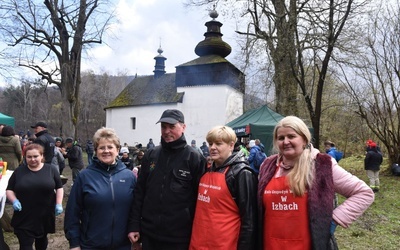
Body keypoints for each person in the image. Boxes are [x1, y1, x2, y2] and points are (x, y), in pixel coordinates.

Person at [258, 116, 374, 249]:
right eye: (281, 138)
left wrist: (334, 220)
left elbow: (364, 193)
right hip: (270, 244)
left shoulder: (322, 165)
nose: (286, 142)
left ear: (304, 139)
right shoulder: (267, 166)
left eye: (291, 136)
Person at [128, 109, 206, 250]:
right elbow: (140, 192)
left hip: (180, 237)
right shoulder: (151, 155)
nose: (167, 131)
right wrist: (134, 225)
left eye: (172, 127)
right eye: (163, 127)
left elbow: (200, 202)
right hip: (149, 234)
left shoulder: (194, 158)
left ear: (183, 127)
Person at [64, 127, 137, 249]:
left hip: (123, 245)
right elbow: (73, 211)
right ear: (96, 150)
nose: (106, 151)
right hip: (92, 244)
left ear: (117, 149)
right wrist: (74, 242)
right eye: (101, 148)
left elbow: (136, 210)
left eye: (110, 147)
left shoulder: (129, 176)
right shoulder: (84, 176)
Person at [189, 126, 257, 249]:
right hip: (198, 243)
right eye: (210, 144)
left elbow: (249, 221)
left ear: (231, 145)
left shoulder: (242, 173)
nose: (212, 148)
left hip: (225, 245)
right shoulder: (205, 170)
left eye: (218, 144)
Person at [6, 143, 64, 250]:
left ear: (42, 156)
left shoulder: (51, 170)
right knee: (25, 245)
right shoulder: (19, 171)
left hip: (44, 214)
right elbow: (9, 189)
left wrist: (59, 203)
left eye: (35, 156)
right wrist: (14, 200)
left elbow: (59, 187)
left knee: (41, 242)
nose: (32, 159)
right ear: (25, 157)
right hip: (24, 214)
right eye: (29, 157)